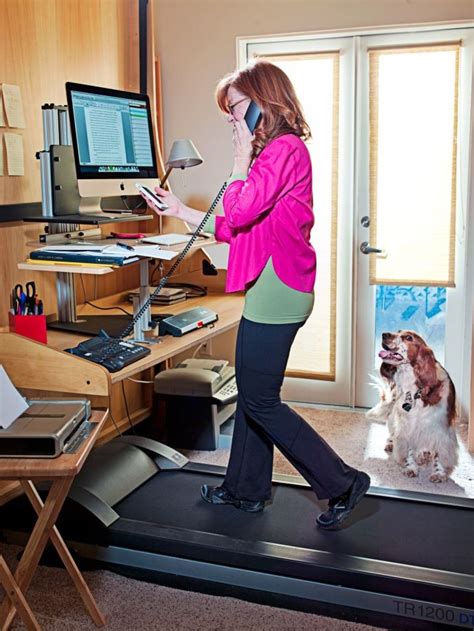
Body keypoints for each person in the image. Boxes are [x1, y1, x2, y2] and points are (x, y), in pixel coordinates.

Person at [141, 60, 370, 530]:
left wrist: (240, 159)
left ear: (265, 100)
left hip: (280, 288)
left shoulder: (283, 150)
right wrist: (181, 209)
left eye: (236, 107)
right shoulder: (272, 155)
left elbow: (241, 208)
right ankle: (245, 490)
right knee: (253, 393)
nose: (230, 119)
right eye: (227, 112)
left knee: (261, 399)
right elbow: (232, 225)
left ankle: (343, 482)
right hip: (272, 286)